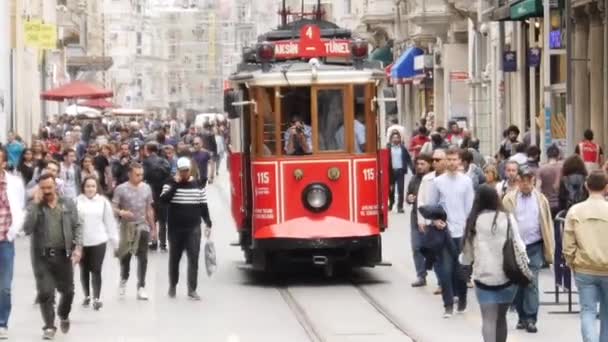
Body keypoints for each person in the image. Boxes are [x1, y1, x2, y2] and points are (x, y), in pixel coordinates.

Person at [461, 185, 525, 342]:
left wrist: (466, 263)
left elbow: (466, 256)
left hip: (483, 277)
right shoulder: (507, 218)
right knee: (501, 318)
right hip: (507, 275)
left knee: (488, 319)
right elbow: (520, 245)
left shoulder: (473, 221)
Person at [23, 173, 82, 340]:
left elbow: (77, 225)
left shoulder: (68, 203)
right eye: (43, 188)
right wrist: (35, 204)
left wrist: (78, 248)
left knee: (68, 291)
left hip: (64, 255)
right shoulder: (35, 206)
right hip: (42, 257)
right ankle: (49, 326)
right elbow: (27, 228)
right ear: (39, 189)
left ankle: (63, 314)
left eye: (49, 187)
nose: (47, 191)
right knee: (45, 292)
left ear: (56, 186)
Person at [502, 166, 554, 333]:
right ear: (517, 182)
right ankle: (522, 317)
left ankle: (531, 318)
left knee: (531, 281)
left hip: (535, 245)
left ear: (534, 182)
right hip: (516, 247)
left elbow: (547, 223)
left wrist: (549, 247)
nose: (525, 184)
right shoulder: (508, 199)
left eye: (529, 181)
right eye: (522, 181)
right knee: (518, 282)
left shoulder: (541, 200)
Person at [428, 147, 475, 317]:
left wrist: (469, 228)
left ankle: (461, 299)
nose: (452, 162)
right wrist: (435, 221)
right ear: (445, 161)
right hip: (444, 232)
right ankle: (448, 305)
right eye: (449, 159)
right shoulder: (438, 182)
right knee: (445, 270)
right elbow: (431, 207)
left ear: (460, 161)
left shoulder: (466, 181)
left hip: (461, 233)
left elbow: (470, 208)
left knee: (460, 270)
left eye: (455, 159)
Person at [563, 170, 608, 342]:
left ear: (586, 186)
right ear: (606, 188)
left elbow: (568, 242)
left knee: (587, 310)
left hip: (584, 268)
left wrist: (571, 261)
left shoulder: (575, 211)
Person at [160, 157, 212, 300]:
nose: (183, 173)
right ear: (177, 170)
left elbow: (203, 205)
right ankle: (173, 286)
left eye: (186, 171)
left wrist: (208, 222)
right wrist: (176, 185)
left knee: (193, 259)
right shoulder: (169, 184)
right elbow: (164, 200)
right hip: (175, 229)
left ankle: (192, 289)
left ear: (190, 170)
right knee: (174, 259)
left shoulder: (197, 185)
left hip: (193, 228)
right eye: (181, 171)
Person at [112, 163, 156, 301]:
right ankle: (123, 280)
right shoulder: (121, 189)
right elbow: (113, 207)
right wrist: (121, 212)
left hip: (142, 225)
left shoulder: (146, 188)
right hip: (127, 226)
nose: (140, 177)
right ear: (129, 174)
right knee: (126, 256)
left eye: (142, 174)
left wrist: (153, 228)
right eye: (137, 174)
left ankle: (141, 286)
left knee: (143, 257)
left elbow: (149, 208)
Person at [76, 176, 119, 311]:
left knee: (96, 269)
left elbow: (110, 222)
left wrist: (115, 242)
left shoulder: (102, 202)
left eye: (93, 186)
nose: (90, 189)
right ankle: (87, 295)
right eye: (88, 186)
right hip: (82, 242)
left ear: (97, 188)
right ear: (83, 187)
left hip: (98, 240)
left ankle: (97, 298)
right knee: (84, 270)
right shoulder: (77, 201)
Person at [0, 148, 26, 340]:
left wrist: (13, 232)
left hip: (5, 241)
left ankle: (2, 323)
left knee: (5, 286)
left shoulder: (14, 183)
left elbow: (20, 208)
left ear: (3, 163)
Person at [417, 149, 448, 295]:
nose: (435, 162)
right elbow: (421, 201)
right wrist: (422, 220)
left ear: (445, 161)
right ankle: (442, 283)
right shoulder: (427, 179)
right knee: (436, 255)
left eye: (438, 160)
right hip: (431, 223)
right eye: (433, 160)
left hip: (450, 223)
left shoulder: (452, 178)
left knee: (450, 255)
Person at [406, 153, 432, 287]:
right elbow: (409, 195)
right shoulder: (414, 179)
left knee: (433, 249)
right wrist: (409, 198)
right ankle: (421, 275)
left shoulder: (433, 179)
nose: (420, 167)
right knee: (416, 247)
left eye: (423, 164)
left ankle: (442, 280)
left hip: (431, 219)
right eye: (418, 164)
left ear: (429, 164)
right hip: (416, 218)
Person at [142, 142, 171, 252]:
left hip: (151, 192)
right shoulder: (164, 161)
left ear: (148, 150)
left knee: (151, 219)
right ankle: (163, 244)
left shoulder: (146, 162)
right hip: (162, 192)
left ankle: (153, 242)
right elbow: (168, 174)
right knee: (163, 221)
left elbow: (143, 176)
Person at [388, 132, 413, 213]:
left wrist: (412, 169)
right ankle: (391, 203)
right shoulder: (388, 148)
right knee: (391, 189)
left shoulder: (403, 148)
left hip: (400, 171)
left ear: (400, 139)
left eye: (397, 137)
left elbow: (408, 159)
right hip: (391, 172)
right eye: (394, 138)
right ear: (391, 139)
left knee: (400, 189)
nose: (395, 139)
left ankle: (400, 207)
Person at [537, 144, 562, 218]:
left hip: (546, 203)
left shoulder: (541, 169)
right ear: (558, 155)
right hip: (560, 203)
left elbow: (538, 188)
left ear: (547, 155)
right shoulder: (562, 168)